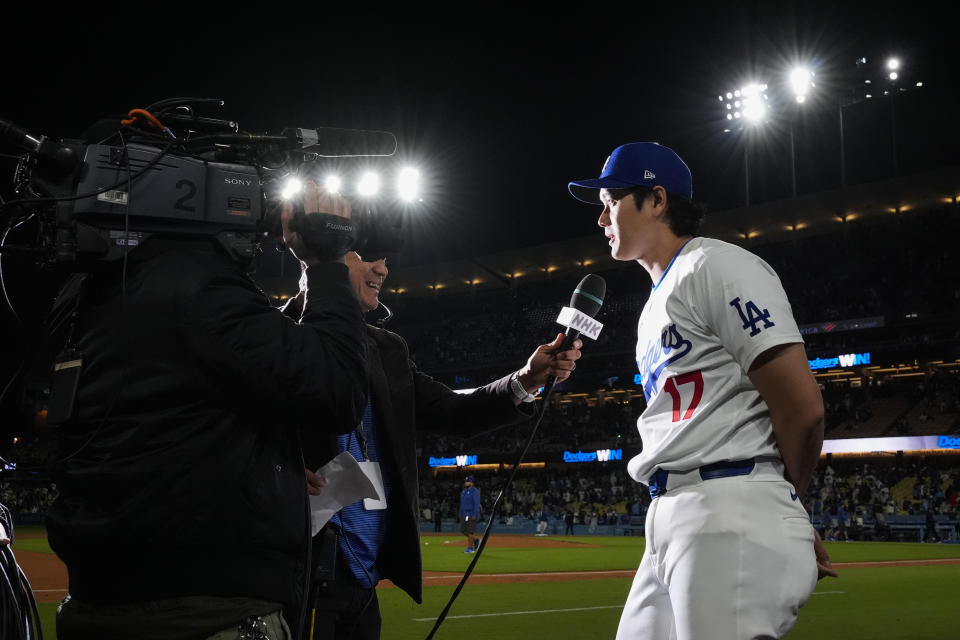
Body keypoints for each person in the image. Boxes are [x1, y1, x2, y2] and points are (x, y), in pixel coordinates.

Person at [45, 182, 368, 640]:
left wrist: (265, 465)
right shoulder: (194, 281)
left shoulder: (83, 293)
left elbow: (172, 415)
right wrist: (328, 262)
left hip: (96, 602)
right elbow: (337, 391)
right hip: (203, 612)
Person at [567, 142, 836, 640]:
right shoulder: (654, 304)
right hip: (673, 510)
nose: (602, 218)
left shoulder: (716, 264)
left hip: (729, 504)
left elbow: (803, 407)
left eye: (611, 201)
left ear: (657, 199)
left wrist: (786, 504)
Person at [295, 250, 583, 640]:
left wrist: (527, 379)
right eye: (367, 256)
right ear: (321, 253)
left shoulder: (388, 350)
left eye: (385, 259)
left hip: (364, 577)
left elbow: (454, 411)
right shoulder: (276, 333)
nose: (383, 268)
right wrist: (273, 471)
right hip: (305, 572)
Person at [460, 475, 482, 550]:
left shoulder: (475, 491)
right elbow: (462, 503)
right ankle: (476, 540)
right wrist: (460, 513)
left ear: (472, 483)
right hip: (464, 514)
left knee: (470, 532)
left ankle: (470, 548)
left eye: (468, 481)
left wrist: (475, 514)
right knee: (463, 530)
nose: (466, 483)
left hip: (471, 514)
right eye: (466, 481)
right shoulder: (464, 491)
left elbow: (476, 504)